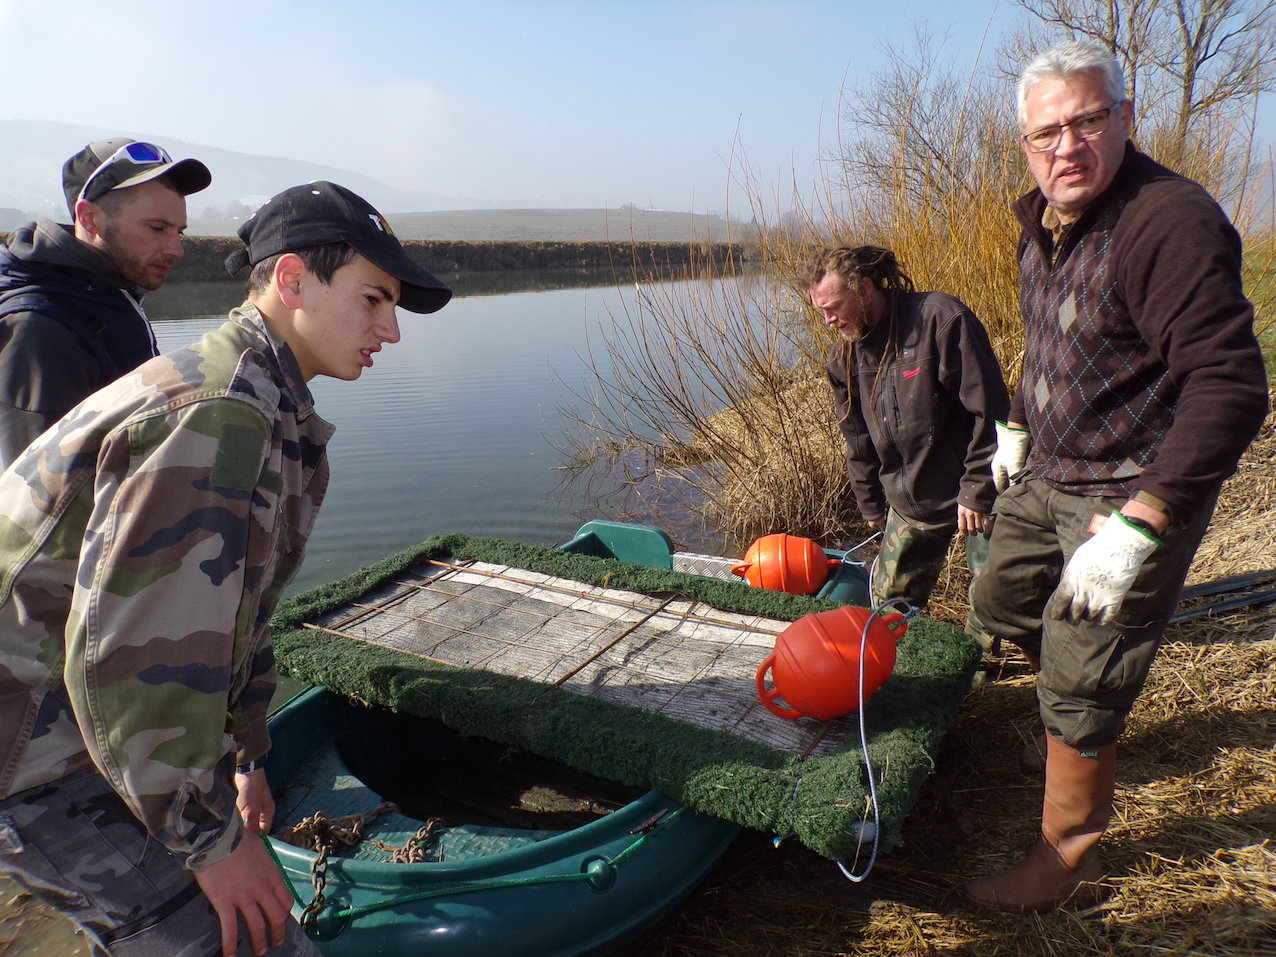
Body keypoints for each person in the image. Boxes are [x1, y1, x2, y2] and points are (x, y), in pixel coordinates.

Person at [0, 181, 452, 956]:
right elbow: (126, 660)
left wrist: (249, 754)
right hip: (33, 752)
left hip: (77, 725)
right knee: (251, 937)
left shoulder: (264, 402)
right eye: (374, 298)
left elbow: (233, 613)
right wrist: (211, 843)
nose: (391, 329)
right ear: (292, 281)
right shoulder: (215, 414)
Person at [966, 39, 1268, 912]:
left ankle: (1069, 855)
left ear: (1126, 119)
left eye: (1088, 121)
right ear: (1026, 143)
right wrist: (1015, 424)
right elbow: (1046, 343)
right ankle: (1072, 720)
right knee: (1000, 600)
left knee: (1082, 669)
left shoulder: (1167, 221)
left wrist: (1145, 521)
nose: (1066, 146)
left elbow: (1230, 384)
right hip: (1052, 467)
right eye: (1046, 132)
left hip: (1130, 487)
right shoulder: (1044, 221)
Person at [808, 245, 1009, 632]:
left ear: (865, 288)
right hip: (911, 499)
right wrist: (870, 503)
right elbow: (857, 438)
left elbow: (992, 412)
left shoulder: (940, 319)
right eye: (821, 312)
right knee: (886, 611)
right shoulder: (844, 357)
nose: (829, 320)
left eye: (834, 307)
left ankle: (981, 664)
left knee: (994, 606)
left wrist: (977, 489)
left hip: (975, 489)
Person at [0, 137, 212, 470]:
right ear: (89, 219)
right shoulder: (39, 330)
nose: (176, 250)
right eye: (157, 228)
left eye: (179, 232)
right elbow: (41, 488)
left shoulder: (104, 292)